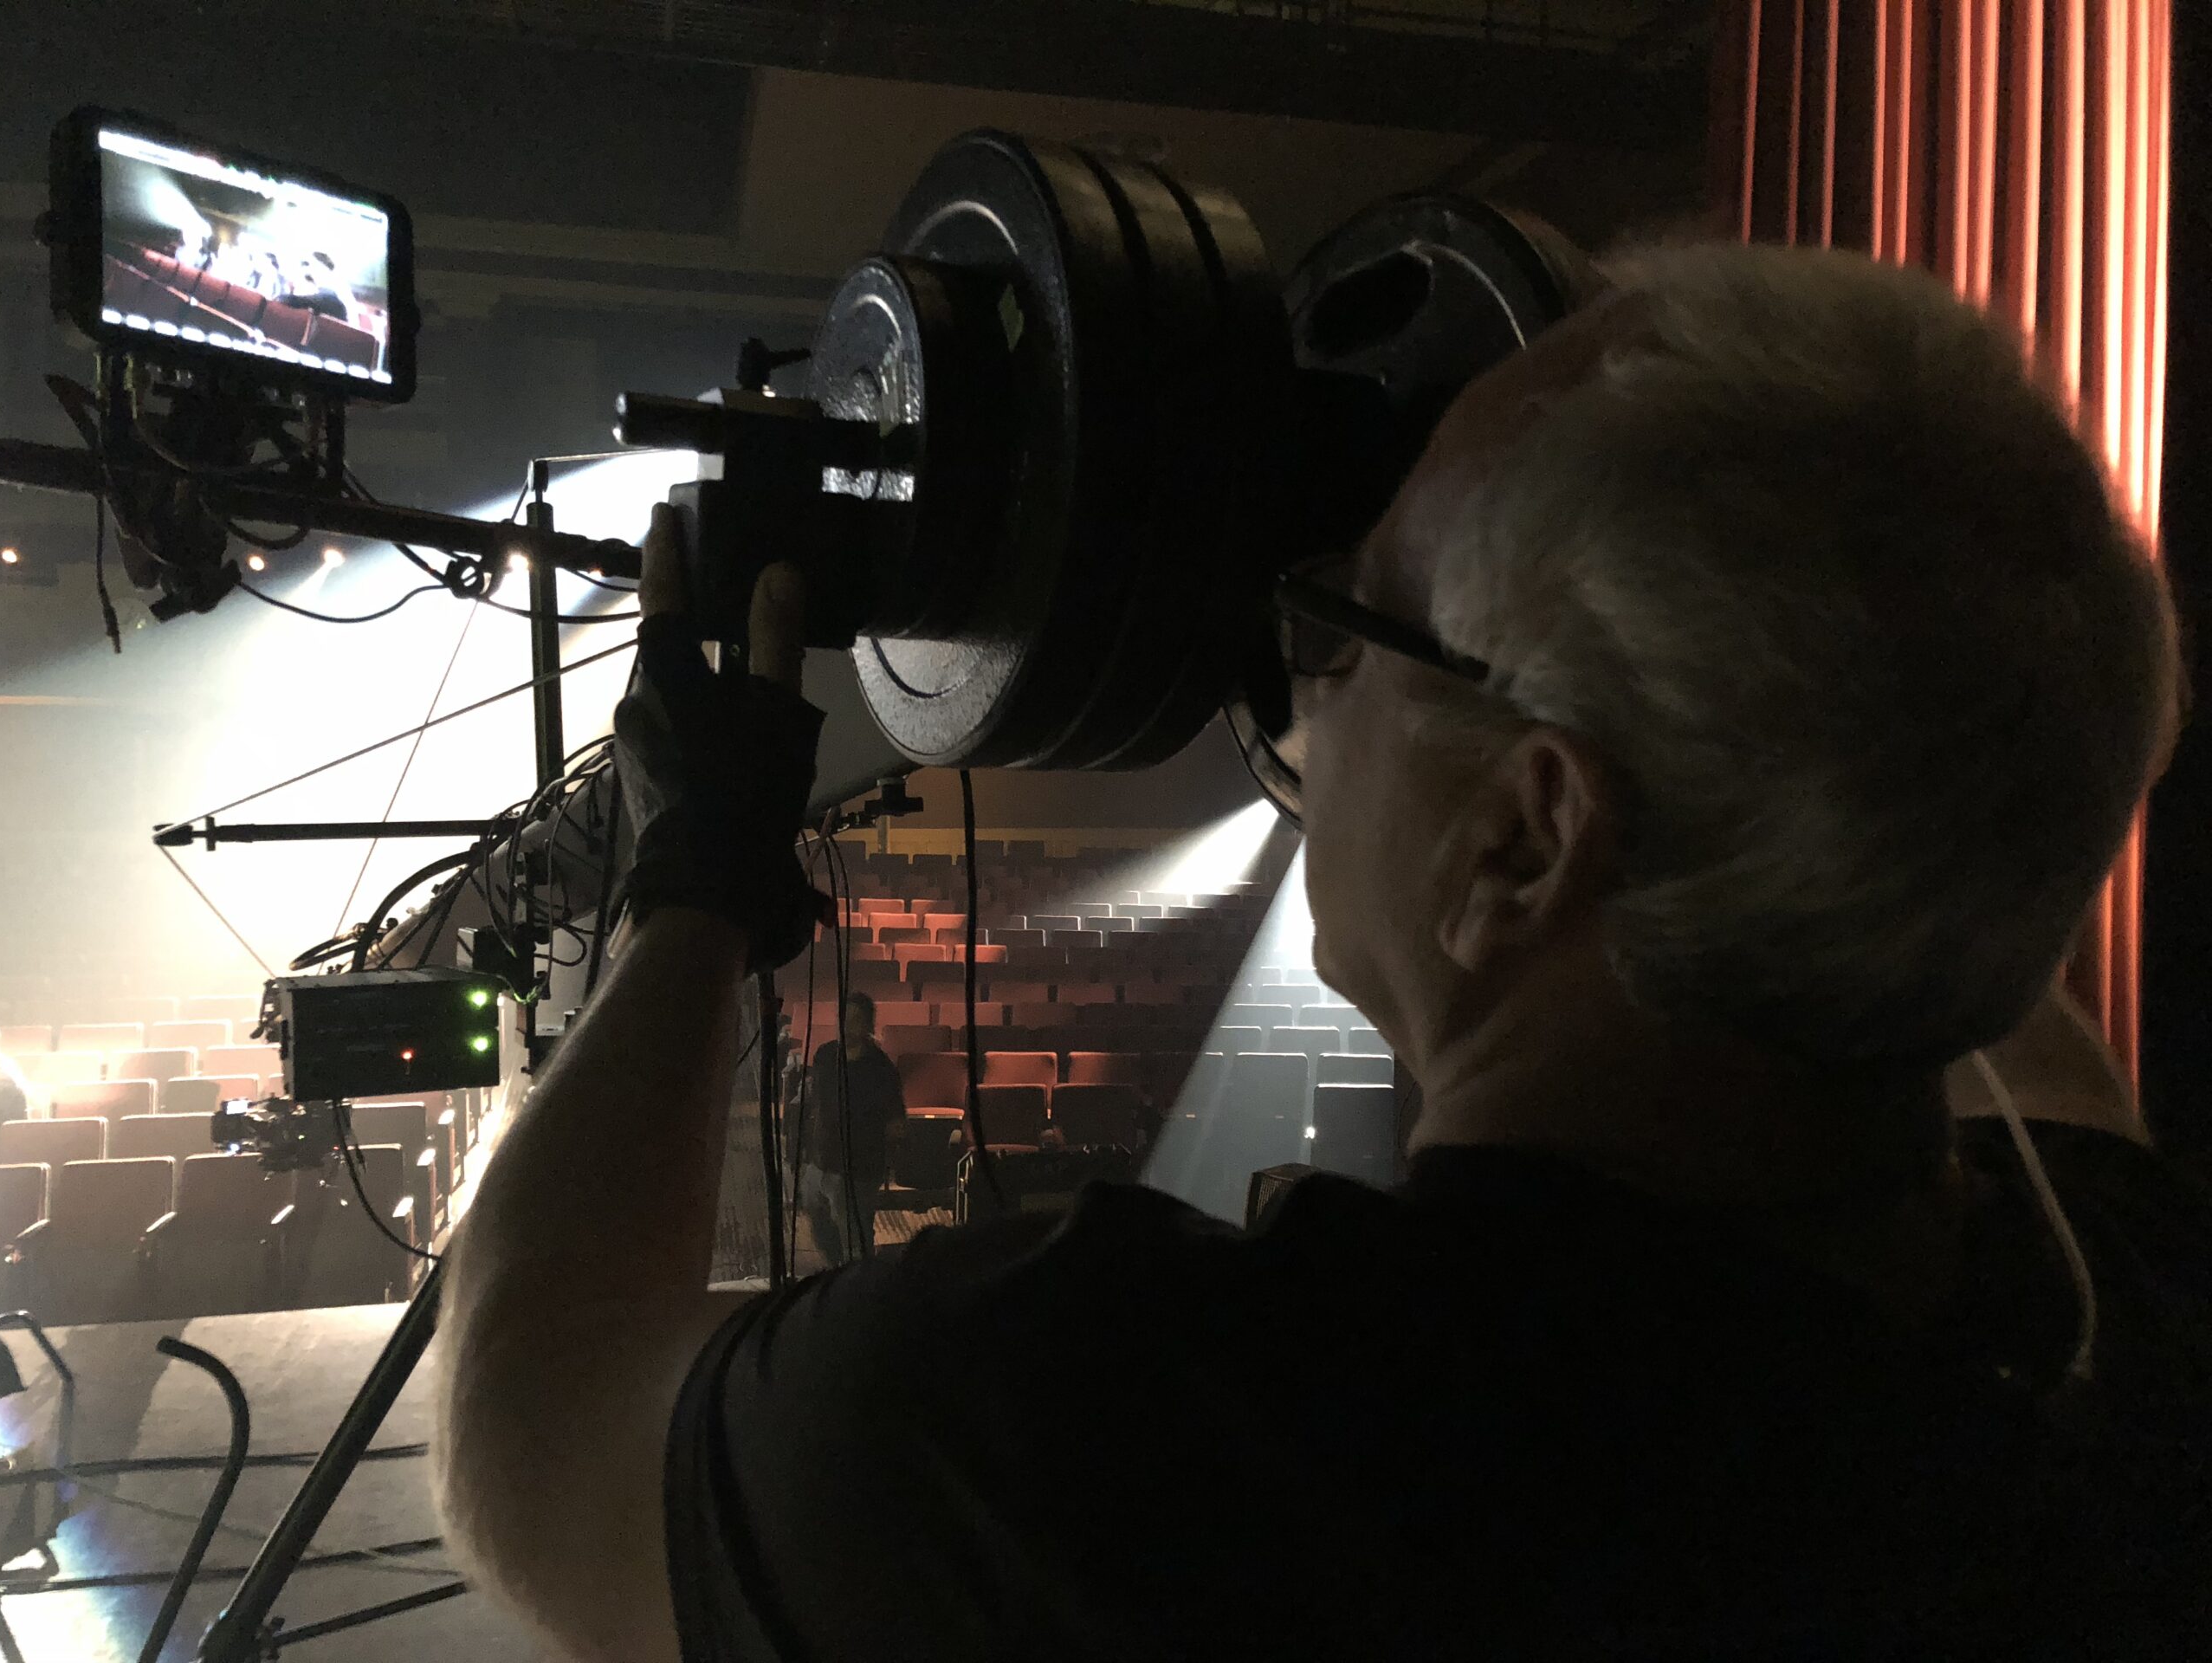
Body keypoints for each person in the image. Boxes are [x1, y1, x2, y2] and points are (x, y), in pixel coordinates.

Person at [431, 243, 2207, 1660]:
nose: (1302, 691)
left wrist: (695, 881)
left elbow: (532, 1432)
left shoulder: (1102, 1440)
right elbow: (1932, 823)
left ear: (1518, 839)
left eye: (1343, 625)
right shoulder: (2117, 1312)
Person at [791, 990, 903, 1264]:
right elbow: (818, 1101)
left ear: (869, 1025)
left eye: (856, 1020)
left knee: (855, 1230)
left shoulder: (880, 1067)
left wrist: (884, 1160)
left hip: (858, 1164)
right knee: (814, 1210)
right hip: (822, 1157)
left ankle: (858, 1277)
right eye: (844, 1018)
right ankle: (837, 1266)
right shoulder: (826, 1054)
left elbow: (895, 1121)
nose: (848, 1026)